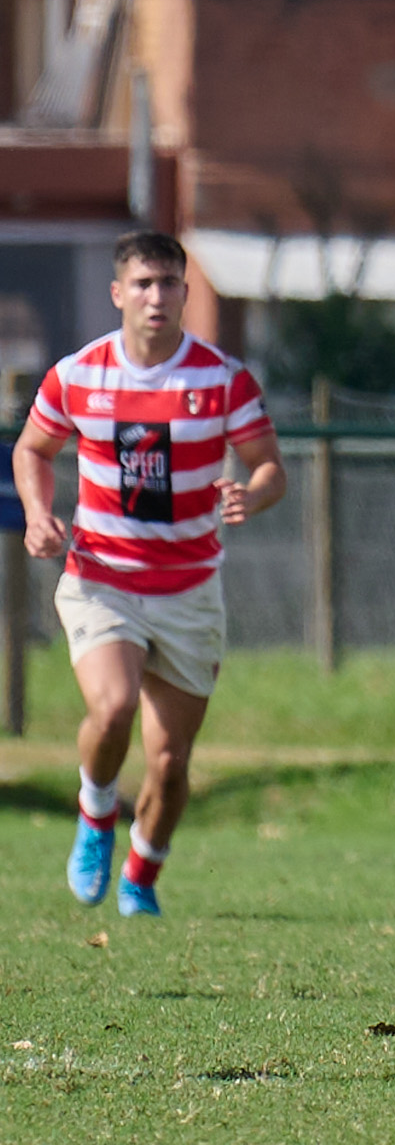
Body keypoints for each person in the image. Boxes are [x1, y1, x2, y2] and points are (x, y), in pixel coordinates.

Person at [12, 230, 287, 918]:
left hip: (191, 588)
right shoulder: (79, 374)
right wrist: (39, 515)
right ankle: (96, 813)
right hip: (102, 577)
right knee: (113, 707)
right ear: (118, 294)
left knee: (170, 761)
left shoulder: (222, 378)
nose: (156, 297)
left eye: (168, 284)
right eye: (142, 284)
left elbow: (269, 466)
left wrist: (251, 494)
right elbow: (33, 448)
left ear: (186, 295)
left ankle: (141, 873)